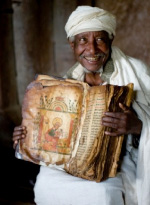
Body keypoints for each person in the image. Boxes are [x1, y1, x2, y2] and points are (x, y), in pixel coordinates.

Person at [12, 6, 150, 205]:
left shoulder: (137, 72)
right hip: (70, 163)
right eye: (83, 40)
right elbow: (50, 135)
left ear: (110, 40)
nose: (92, 50)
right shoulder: (68, 82)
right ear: (72, 45)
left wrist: (137, 127)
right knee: (45, 184)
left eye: (100, 39)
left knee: (100, 193)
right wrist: (26, 137)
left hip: (120, 162)